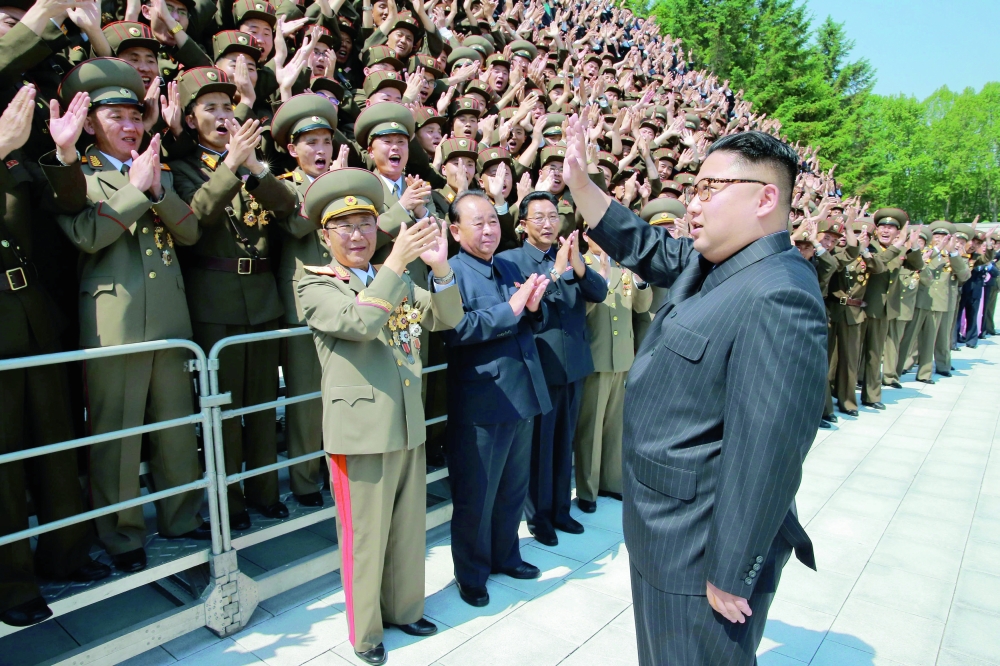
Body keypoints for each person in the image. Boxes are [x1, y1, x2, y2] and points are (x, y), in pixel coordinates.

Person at [561, 118, 825, 665]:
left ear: (765, 199)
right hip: (665, 531)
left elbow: (768, 451)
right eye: (694, 189)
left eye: (710, 189)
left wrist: (732, 570)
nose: (694, 205)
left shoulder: (779, 293)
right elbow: (646, 245)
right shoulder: (716, 263)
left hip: (702, 552)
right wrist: (582, 186)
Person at [297, 168, 462, 666]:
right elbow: (362, 322)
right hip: (360, 431)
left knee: (408, 528)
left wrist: (440, 270)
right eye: (344, 227)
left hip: (407, 421)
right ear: (325, 237)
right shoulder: (314, 282)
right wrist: (395, 262)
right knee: (365, 540)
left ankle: (406, 608)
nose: (357, 235)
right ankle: (366, 633)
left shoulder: (397, 278)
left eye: (366, 224)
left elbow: (446, 317)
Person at [170, 65, 296, 531]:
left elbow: (287, 208)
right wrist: (229, 167)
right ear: (190, 120)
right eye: (211, 108)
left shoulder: (253, 164)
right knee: (221, 410)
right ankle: (231, 499)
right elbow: (195, 216)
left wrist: (254, 167)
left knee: (261, 406)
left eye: (228, 106)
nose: (223, 116)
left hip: (262, 296)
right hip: (214, 301)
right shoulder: (183, 167)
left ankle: (265, 490)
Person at [442, 190, 550, 608]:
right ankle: (471, 573)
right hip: (483, 399)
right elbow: (456, 331)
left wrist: (532, 307)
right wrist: (512, 308)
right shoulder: (450, 273)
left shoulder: (506, 265)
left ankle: (507, 555)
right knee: (477, 495)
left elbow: (528, 320)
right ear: (455, 231)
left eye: (492, 221)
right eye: (478, 223)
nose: (489, 230)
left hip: (522, 391)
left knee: (512, 487)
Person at [500, 191, 607, 545]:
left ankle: (561, 508)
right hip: (540, 368)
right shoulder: (511, 261)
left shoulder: (569, 255)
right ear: (522, 225)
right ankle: (539, 517)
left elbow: (599, 292)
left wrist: (578, 265)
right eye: (539, 217)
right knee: (540, 447)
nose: (548, 224)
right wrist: (557, 271)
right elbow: (526, 310)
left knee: (564, 443)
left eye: (553, 216)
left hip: (573, 366)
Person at [270, 93, 342, 507]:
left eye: (326, 142)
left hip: (343, 298)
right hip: (302, 306)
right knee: (306, 399)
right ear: (291, 149)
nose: (320, 150)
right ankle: (304, 478)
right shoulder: (283, 187)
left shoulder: (342, 183)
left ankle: (337, 471)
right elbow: (294, 227)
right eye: (310, 142)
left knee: (341, 392)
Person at [573, 232, 652, 513]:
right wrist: (600, 282)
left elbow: (642, 307)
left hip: (622, 358)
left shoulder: (622, 267)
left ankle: (611, 481)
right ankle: (588, 489)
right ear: (585, 235)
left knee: (615, 427)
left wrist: (640, 279)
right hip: (596, 357)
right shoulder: (579, 264)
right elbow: (578, 311)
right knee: (591, 430)